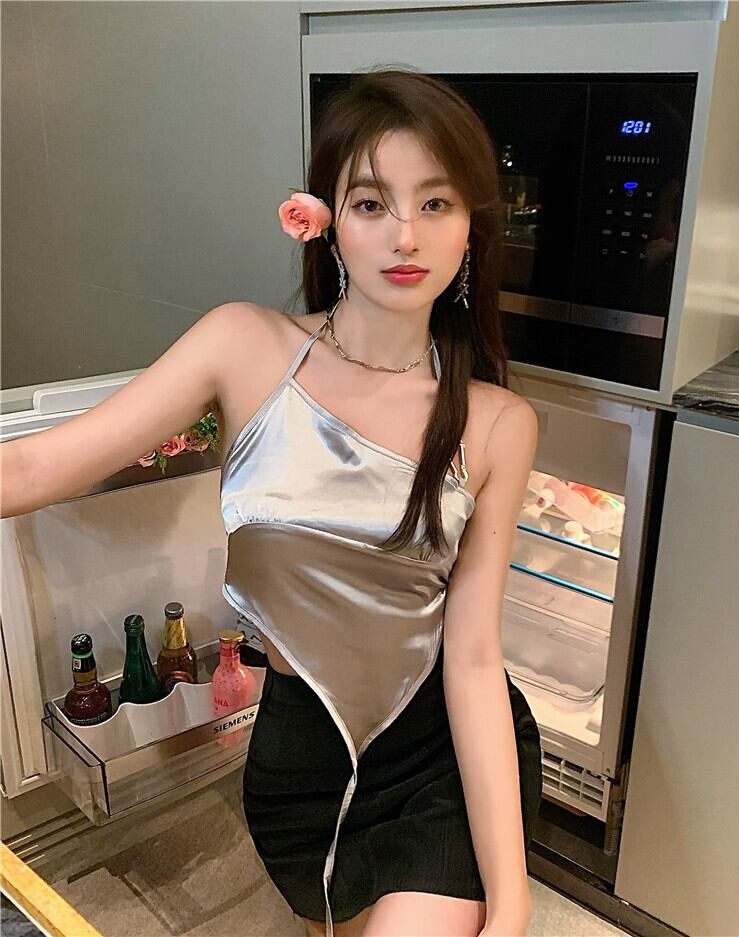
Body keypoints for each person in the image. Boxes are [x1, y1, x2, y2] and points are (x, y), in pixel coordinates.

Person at [1, 68, 542, 937]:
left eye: (436, 203)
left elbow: (475, 660)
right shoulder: (245, 345)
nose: (406, 234)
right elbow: (30, 469)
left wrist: (511, 907)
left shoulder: (497, 422)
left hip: (437, 755)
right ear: (326, 219)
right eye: (372, 203)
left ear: (471, 226)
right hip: (300, 759)